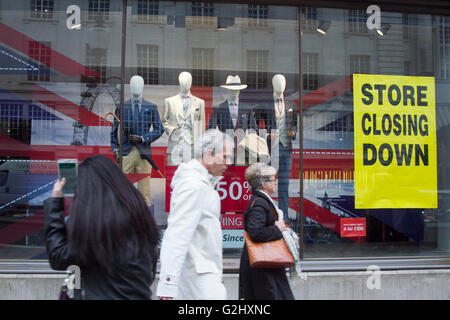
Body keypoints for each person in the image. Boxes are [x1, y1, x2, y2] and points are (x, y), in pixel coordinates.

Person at [44, 155, 160, 300]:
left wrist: (55, 202)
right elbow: (148, 275)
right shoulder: (141, 221)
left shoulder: (96, 232)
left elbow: (58, 257)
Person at [156, 129, 234, 300]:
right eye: (225, 156)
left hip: (201, 278)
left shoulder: (200, 184)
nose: (229, 163)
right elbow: (176, 235)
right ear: (209, 154)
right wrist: (167, 285)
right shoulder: (193, 186)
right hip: (197, 283)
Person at [239, 162, 295, 300]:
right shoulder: (259, 204)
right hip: (263, 268)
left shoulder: (261, 201)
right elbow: (256, 232)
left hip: (265, 263)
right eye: (273, 180)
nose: (276, 182)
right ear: (264, 184)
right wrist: (277, 228)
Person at [110, 75, 164, 206]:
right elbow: (114, 131)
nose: (136, 87)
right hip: (126, 152)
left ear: (143, 86)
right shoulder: (122, 107)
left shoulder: (151, 107)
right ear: (130, 86)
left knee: (144, 189)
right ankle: (122, 213)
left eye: (139, 84)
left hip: (144, 152)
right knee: (122, 186)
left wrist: (144, 138)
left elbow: (159, 129)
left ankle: (143, 217)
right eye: (134, 84)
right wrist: (115, 149)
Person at [254, 74, 297, 221]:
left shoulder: (291, 105)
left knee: (284, 186)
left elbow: (294, 127)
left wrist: (293, 133)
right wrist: (265, 136)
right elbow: (253, 123)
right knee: (266, 184)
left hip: (286, 148)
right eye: (278, 83)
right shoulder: (265, 103)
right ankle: (266, 215)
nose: (281, 86)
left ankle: (283, 217)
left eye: (283, 83)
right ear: (273, 85)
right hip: (271, 149)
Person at [207, 75, 257, 165]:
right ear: (228, 90)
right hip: (224, 150)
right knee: (227, 175)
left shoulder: (246, 109)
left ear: (239, 90)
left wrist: (248, 145)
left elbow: (253, 130)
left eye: (236, 89)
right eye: (232, 89)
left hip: (242, 150)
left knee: (240, 175)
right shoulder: (219, 108)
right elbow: (211, 130)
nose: (234, 92)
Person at [162, 71, 206, 165]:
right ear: (179, 82)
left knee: (191, 176)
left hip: (192, 146)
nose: (185, 84)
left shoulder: (199, 102)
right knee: (173, 176)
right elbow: (164, 122)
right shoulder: (169, 101)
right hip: (175, 145)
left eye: (187, 81)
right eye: (183, 81)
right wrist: (172, 130)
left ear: (191, 83)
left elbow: (202, 127)